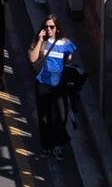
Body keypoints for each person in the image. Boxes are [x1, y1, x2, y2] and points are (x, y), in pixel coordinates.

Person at [28, 13, 76, 158]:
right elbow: (33, 59)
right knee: (44, 116)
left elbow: (69, 59)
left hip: (58, 84)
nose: (48, 29)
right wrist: (39, 40)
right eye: (46, 26)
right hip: (43, 83)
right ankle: (46, 146)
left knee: (60, 116)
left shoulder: (65, 43)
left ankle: (57, 144)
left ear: (57, 28)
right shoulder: (40, 43)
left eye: (51, 27)